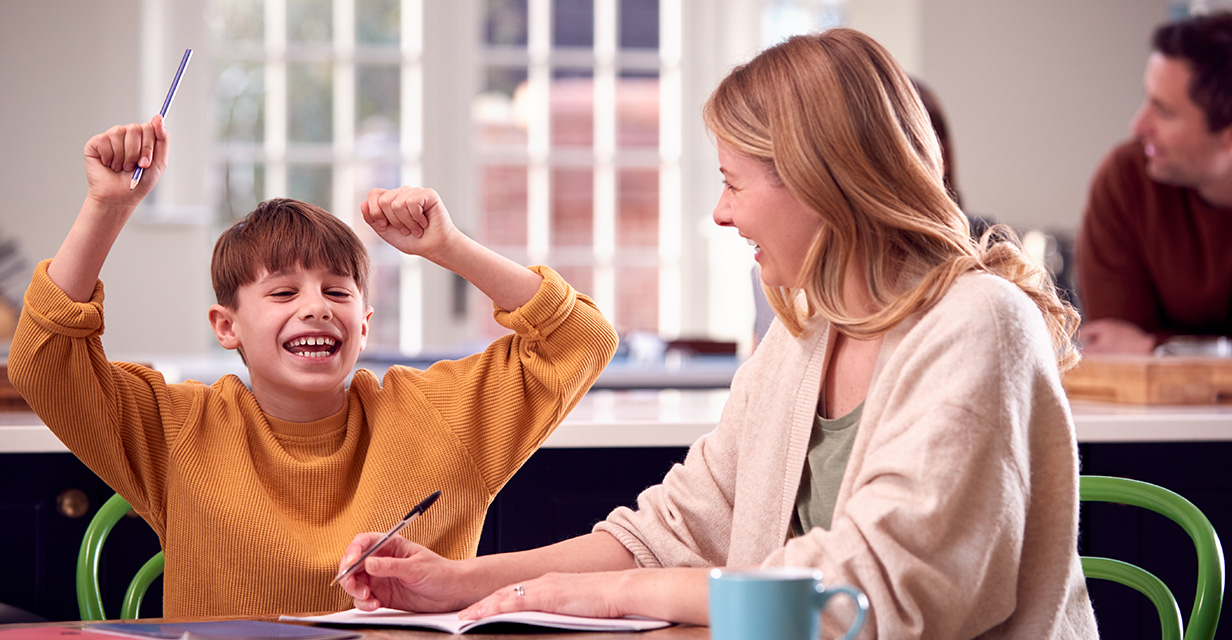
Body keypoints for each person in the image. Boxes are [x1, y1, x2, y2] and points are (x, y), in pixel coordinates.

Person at [336, 29, 1100, 638]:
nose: (721, 213)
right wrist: (462, 580)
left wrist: (613, 597)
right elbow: (675, 527)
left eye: (734, 182)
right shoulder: (804, 336)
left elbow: (873, 594)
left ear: (817, 181)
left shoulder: (978, 326)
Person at [6, 115, 618, 617]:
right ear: (227, 327)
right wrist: (107, 206)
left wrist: (449, 247)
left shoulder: (439, 417)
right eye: (281, 293)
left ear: (366, 323)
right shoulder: (176, 430)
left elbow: (581, 340)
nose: (316, 309)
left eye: (337, 291)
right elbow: (45, 362)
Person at [1076, 11, 1232, 354]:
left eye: (1164, 111)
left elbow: (1136, 350)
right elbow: (1115, 350)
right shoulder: (1127, 180)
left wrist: (1156, 349)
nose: (1138, 125)